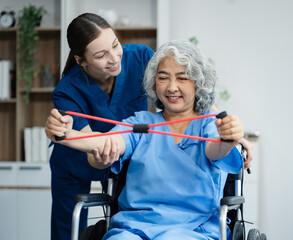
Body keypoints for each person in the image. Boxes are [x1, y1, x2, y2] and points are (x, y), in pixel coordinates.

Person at [45, 40, 249, 240]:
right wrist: (66, 135)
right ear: (154, 82)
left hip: (193, 229)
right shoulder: (142, 122)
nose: (171, 87)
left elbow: (216, 148)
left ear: (198, 83)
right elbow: (106, 142)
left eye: (182, 78)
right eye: (163, 77)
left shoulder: (209, 125)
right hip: (133, 228)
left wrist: (228, 139)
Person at [48, 13, 155, 240]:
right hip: (74, 163)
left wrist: (217, 126)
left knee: (126, 222)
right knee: (69, 230)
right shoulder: (67, 90)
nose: (115, 58)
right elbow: (90, 144)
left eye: (115, 45)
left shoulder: (142, 58)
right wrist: (63, 133)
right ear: (81, 60)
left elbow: (185, 90)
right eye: (101, 55)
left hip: (123, 157)